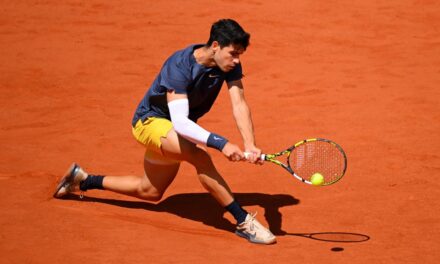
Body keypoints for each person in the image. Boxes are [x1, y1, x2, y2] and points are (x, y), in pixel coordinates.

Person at [53, 18, 276, 245]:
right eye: (233, 53)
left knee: (150, 191)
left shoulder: (228, 65)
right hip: (150, 122)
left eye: (240, 54)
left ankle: (82, 180)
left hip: (174, 131)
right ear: (216, 46)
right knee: (199, 156)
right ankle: (243, 221)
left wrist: (250, 143)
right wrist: (221, 143)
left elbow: (239, 102)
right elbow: (179, 121)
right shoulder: (179, 65)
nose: (237, 60)